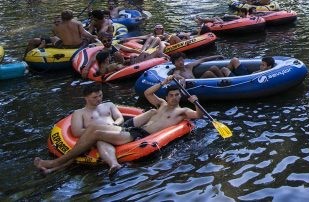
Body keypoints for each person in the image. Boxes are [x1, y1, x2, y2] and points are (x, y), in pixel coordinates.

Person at [34, 75, 202, 175]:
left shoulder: (183, 111)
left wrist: (195, 102)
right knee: (98, 139)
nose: (174, 98)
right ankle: (111, 164)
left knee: (94, 131)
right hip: (134, 129)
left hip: (138, 136)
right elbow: (147, 93)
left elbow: (197, 115)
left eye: (177, 95)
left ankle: (55, 163)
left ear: (181, 97)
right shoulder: (162, 104)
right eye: (171, 95)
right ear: (167, 96)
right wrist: (164, 82)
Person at [26, 10, 97, 53]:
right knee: (87, 38)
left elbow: (57, 37)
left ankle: (43, 46)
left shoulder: (55, 27)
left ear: (62, 18)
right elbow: (84, 33)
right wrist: (92, 36)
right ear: (71, 17)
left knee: (54, 39)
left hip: (65, 47)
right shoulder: (78, 23)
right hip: (79, 45)